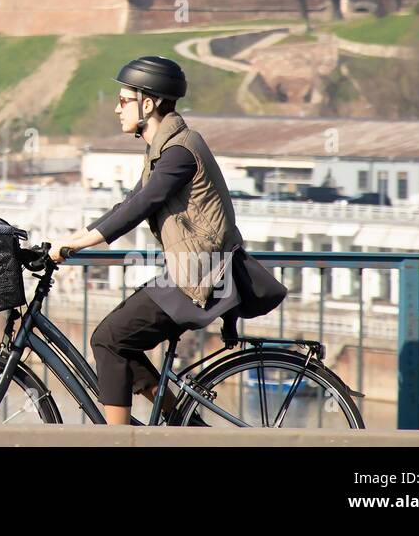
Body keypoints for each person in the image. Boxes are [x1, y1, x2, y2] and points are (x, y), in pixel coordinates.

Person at [48, 56, 287, 426]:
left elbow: (144, 204)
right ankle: (183, 423)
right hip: (192, 270)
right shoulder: (165, 148)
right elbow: (126, 203)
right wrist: (69, 240)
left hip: (203, 276)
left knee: (109, 339)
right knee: (120, 340)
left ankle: (117, 440)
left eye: (123, 100)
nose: (117, 108)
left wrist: (79, 246)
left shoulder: (179, 153)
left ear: (149, 103)